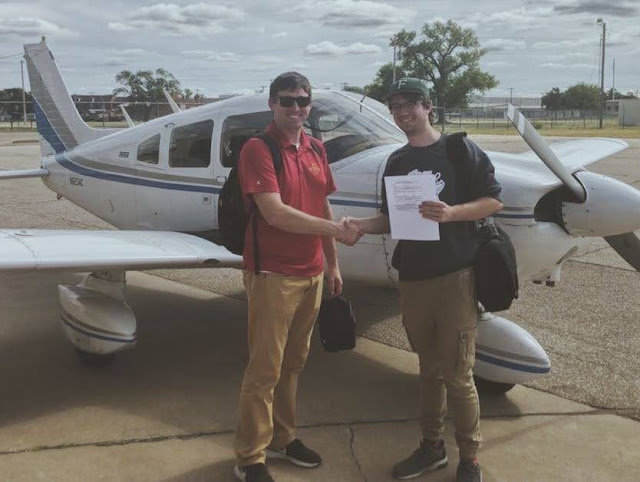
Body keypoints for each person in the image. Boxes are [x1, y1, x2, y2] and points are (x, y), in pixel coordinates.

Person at [346, 78, 503, 482]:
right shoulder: (396, 161)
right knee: (428, 370)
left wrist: (451, 213)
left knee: (459, 375)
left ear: (428, 107)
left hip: (454, 277)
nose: (402, 112)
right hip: (413, 279)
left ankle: (470, 458)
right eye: (395, 106)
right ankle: (431, 447)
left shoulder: (459, 150)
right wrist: (360, 226)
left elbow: (493, 200)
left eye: (410, 104)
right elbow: (390, 219)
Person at [233, 71, 359, 482]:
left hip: (312, 274)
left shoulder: (316, 148)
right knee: (264, 370)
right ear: (272, 104)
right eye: (286, 100)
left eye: (302, 101)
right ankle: (249, 457)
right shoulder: (258, 148)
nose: (295, 108)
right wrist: (336, 230)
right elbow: (274, 213)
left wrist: (333, 263)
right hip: (273, 274)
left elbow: (322, 205)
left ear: (310, 106)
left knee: (293, 364)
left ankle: (283, 437)